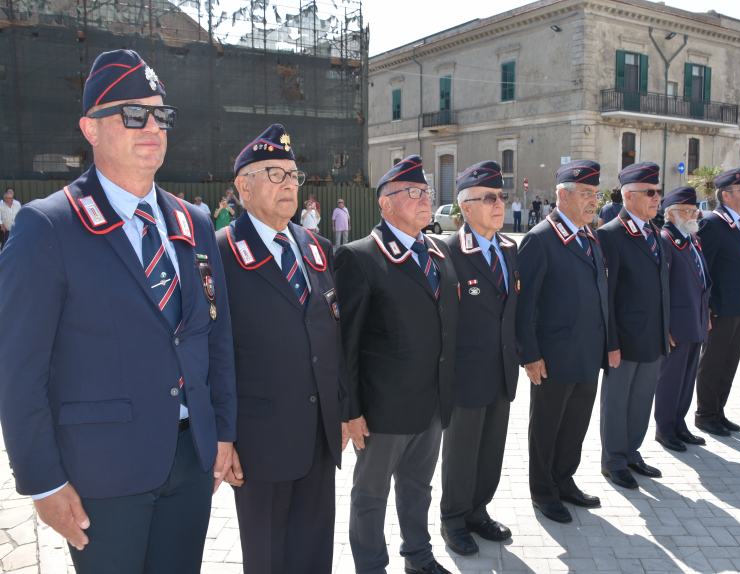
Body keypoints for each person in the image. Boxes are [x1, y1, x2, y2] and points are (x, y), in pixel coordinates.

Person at [0, 49, 236, 573]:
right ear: (90, 128)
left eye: (161, 115)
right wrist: (42, 481)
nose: (152, 125)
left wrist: (222, 430)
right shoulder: (48, 226)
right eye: (133, 114)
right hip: (101, 474)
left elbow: (213, 337)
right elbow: (19, 370)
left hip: (190, 461)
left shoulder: (193, 221)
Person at [217, 124, 345, 574]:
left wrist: (343, 410)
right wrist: (223, 437)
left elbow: (333, 339)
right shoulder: (221, 254)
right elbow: (215, 356)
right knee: (268, 557)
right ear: (243, 185)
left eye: (293, 175)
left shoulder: (318, 247)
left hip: (318, 438)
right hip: (259, 443)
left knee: (314, 553)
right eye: (275, 173)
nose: (289, 183)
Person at [335, 155, 458, 574]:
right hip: (382, 409)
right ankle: (371, 565)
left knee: (418, 487)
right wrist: (349, 410)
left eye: (426, 192)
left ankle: (419, 556)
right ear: (385, 204)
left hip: (430, 403)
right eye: (414, 193)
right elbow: (345, 344)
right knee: (370, 495)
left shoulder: (437, 253)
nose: (425, 200)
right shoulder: (360, 257)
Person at [517, 160, 607, 522]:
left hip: (587, 352)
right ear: (563, 195)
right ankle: (543, 491)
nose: (593, 202)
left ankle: (564, 479)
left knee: (575, 426)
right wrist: (530, 355)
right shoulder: (540, 239)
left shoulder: (589, 236)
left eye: (595, 195)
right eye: (585, 194)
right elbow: (526, 307)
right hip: (552, 357)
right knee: (547, 427)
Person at [440, 161, 519, 555]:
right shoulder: (449, 252)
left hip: (501, 371)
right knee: (461, 452)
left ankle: (478, 510)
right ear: (466, 207)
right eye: (489, 198)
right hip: (465, 374)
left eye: (501, 197)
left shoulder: (509, 247)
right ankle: (453, 519)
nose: (498, 204)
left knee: (491, 450)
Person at [597, 161, 670, 490]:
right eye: (650, 192)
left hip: (652, 336)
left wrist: (665, 328)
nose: (657, 198)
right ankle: (613, 459)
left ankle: (631, 452)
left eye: (658, 192)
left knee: (642, 399)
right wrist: (610, 341)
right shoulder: (611, 235)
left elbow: (661, 287)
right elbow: (607, 295)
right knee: (618, 400)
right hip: (624, 339)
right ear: (628, 196)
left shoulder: (656, 233)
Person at [694, 168, 740, 437]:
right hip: (720, 308)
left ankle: (719, 410)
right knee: (713, 363)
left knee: (730, 363)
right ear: (726, 195)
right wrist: (707, 306)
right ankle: (705, 414)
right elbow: (703, 269)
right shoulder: (713, 223)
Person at [653, 187, 711, 452]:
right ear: (672, 214)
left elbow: (701, 281)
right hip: (676, 325)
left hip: (695, 320)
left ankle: (679, 423)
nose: (693, 215)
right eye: (687, 211)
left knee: (687, 379)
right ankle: (665, 429)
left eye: (694, 210)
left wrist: (705, 314)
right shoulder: (666, 240)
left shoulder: (691, 239)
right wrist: (663, 326)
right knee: (671, 380)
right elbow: (660, 289)